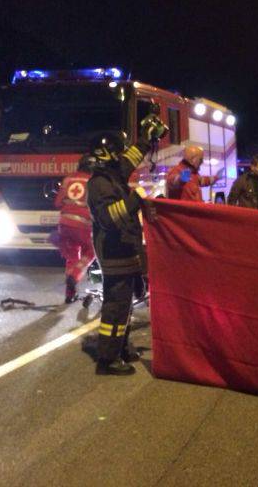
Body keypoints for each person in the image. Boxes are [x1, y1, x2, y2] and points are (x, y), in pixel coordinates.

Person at [88, 116, 167, 375]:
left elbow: (130, 159)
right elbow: (109, 218)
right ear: (108, 154)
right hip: (113, 252)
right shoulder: (100, 184)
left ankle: (121, 348)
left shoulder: (112, 173)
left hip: (124, 249)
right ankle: (107, 359)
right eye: (117, 152)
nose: (122, 157)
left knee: (126, 303)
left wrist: (148, 138)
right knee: (116, 305)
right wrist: (135, 200)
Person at [54, 154, 96, 304]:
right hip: (83, 225)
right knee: (91, 252)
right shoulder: (93, 182)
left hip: (64, 225)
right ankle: (75, 275)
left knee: (71, 258)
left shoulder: (68, 179)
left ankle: (69, 294)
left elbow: (58, 203)